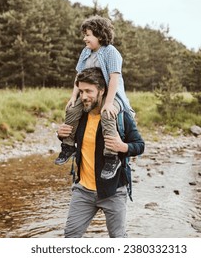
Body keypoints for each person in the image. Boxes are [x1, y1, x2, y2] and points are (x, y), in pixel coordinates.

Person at [56, 67, 144, 238]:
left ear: (102, 91)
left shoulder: (119, 116)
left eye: (89, 91)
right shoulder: (80, 115)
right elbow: (73, 142)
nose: (83, 96)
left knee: (118, 239)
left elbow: (139, 145)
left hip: (113, 191)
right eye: (81, 91)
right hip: (82, 191)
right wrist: (61, 135)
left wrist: (123, 147)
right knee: (70, 237)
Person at [55, 15, 133, 181]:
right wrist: (73, 96)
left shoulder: (111, 52)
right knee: (72, 110)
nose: (84, 38)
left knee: (107, 115)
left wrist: (110, 103)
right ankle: (68, 145)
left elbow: (114, 79)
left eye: (88, 35)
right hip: (90, 93)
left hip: (112, 94)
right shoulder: (86, 52)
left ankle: (111, 157)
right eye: (84, 35)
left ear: (99, 35)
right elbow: (79, 76)